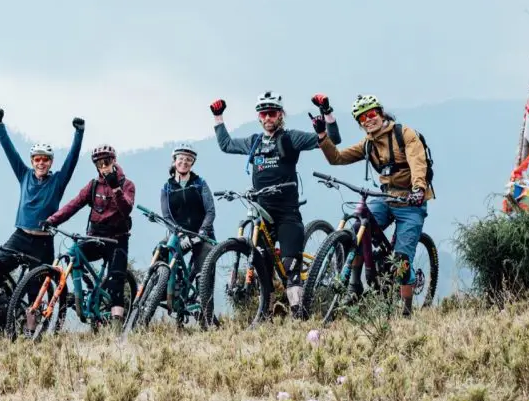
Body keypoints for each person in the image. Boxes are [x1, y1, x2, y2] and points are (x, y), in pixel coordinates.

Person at [211, 92, 340, 313]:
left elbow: (332, 140)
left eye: (272, 113)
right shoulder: (254, 142)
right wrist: (218, 116)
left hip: (287, 211)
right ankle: (266, 314)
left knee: (291, 266)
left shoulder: (290, 138)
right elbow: (226, 145)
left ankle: (298, 312)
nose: (268, 117)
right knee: (264, 267)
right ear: (259, 117)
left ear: (280, 115)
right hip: (262, 212)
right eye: (264, 113)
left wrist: (326, 113)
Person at [316, 93, 433, 315]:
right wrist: (322, 136)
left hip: (411, 202)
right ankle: (354, 286)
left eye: (371, 114)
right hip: (386, 198)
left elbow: (418, 164)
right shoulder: (368, 144)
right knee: (358, 232)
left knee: (401, 261)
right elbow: (337, 158)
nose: (368, 120)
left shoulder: (404, 134)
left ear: (380, 113)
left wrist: (418, 189)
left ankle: (406, 313)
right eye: (362, 118)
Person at [0, 108, 84, 322]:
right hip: (20, 236)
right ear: (32, 161)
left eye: (45, 159)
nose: (41, 163)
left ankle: (32, 333)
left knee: (35, 290)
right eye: (37, 159)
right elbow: (9, 151)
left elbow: (72, 160)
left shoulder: (58, 180)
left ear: (50, 162)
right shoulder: (24, 175)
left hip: (43, 243)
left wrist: (79, 133)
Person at [47, 144, 136, 322]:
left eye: (107, 162)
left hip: (117, 240)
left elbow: (126, 209)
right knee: (73, 254)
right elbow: (74, 204)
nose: (103, 166)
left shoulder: (127, 185)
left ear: (114, 161)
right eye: (99, 164)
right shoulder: (94, 185)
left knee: (116, 283)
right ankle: (87, 289)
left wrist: (115, 188)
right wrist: (52, 220)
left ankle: (117, 329)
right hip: (95, 237)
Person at [159, 144, 215, 276]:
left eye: (188, 160)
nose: (184, 162)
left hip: (202, 234)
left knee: (204, 271)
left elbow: (210, 211)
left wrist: (202, 232)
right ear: (174, 161)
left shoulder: (200, 183)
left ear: (192, 163)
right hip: (179, 233)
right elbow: (167, 216)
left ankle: (203, 296)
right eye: (181, 159)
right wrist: (180, 234)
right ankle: (167, 285)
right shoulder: (167, 187)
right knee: (160, 251)